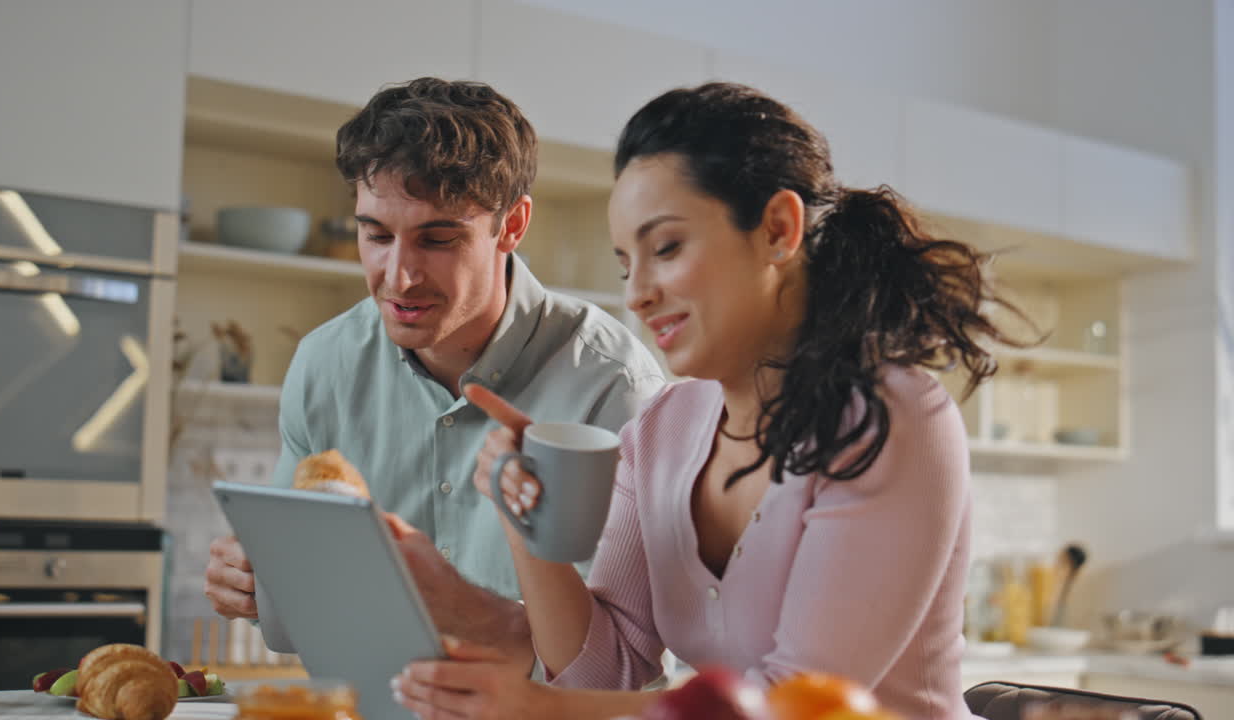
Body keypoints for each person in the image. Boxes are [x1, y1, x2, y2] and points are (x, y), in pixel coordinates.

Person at [392, 82, 1033, 719]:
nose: (637, 294)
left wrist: (536, 709)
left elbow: (796, 709)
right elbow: (606, 671)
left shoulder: (889, 417)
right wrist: (526, 527)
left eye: (666, 248)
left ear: (778, 229)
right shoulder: (664, 428)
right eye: (626, 265)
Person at [203, 78, 665, 674]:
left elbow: (619, 671)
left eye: (438, 238)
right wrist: (253, 582)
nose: (399, 277)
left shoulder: (613, 387)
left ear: (513, 224)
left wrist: (467, 611)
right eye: (376, 235)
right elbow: (297, 616)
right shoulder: (325, 365)